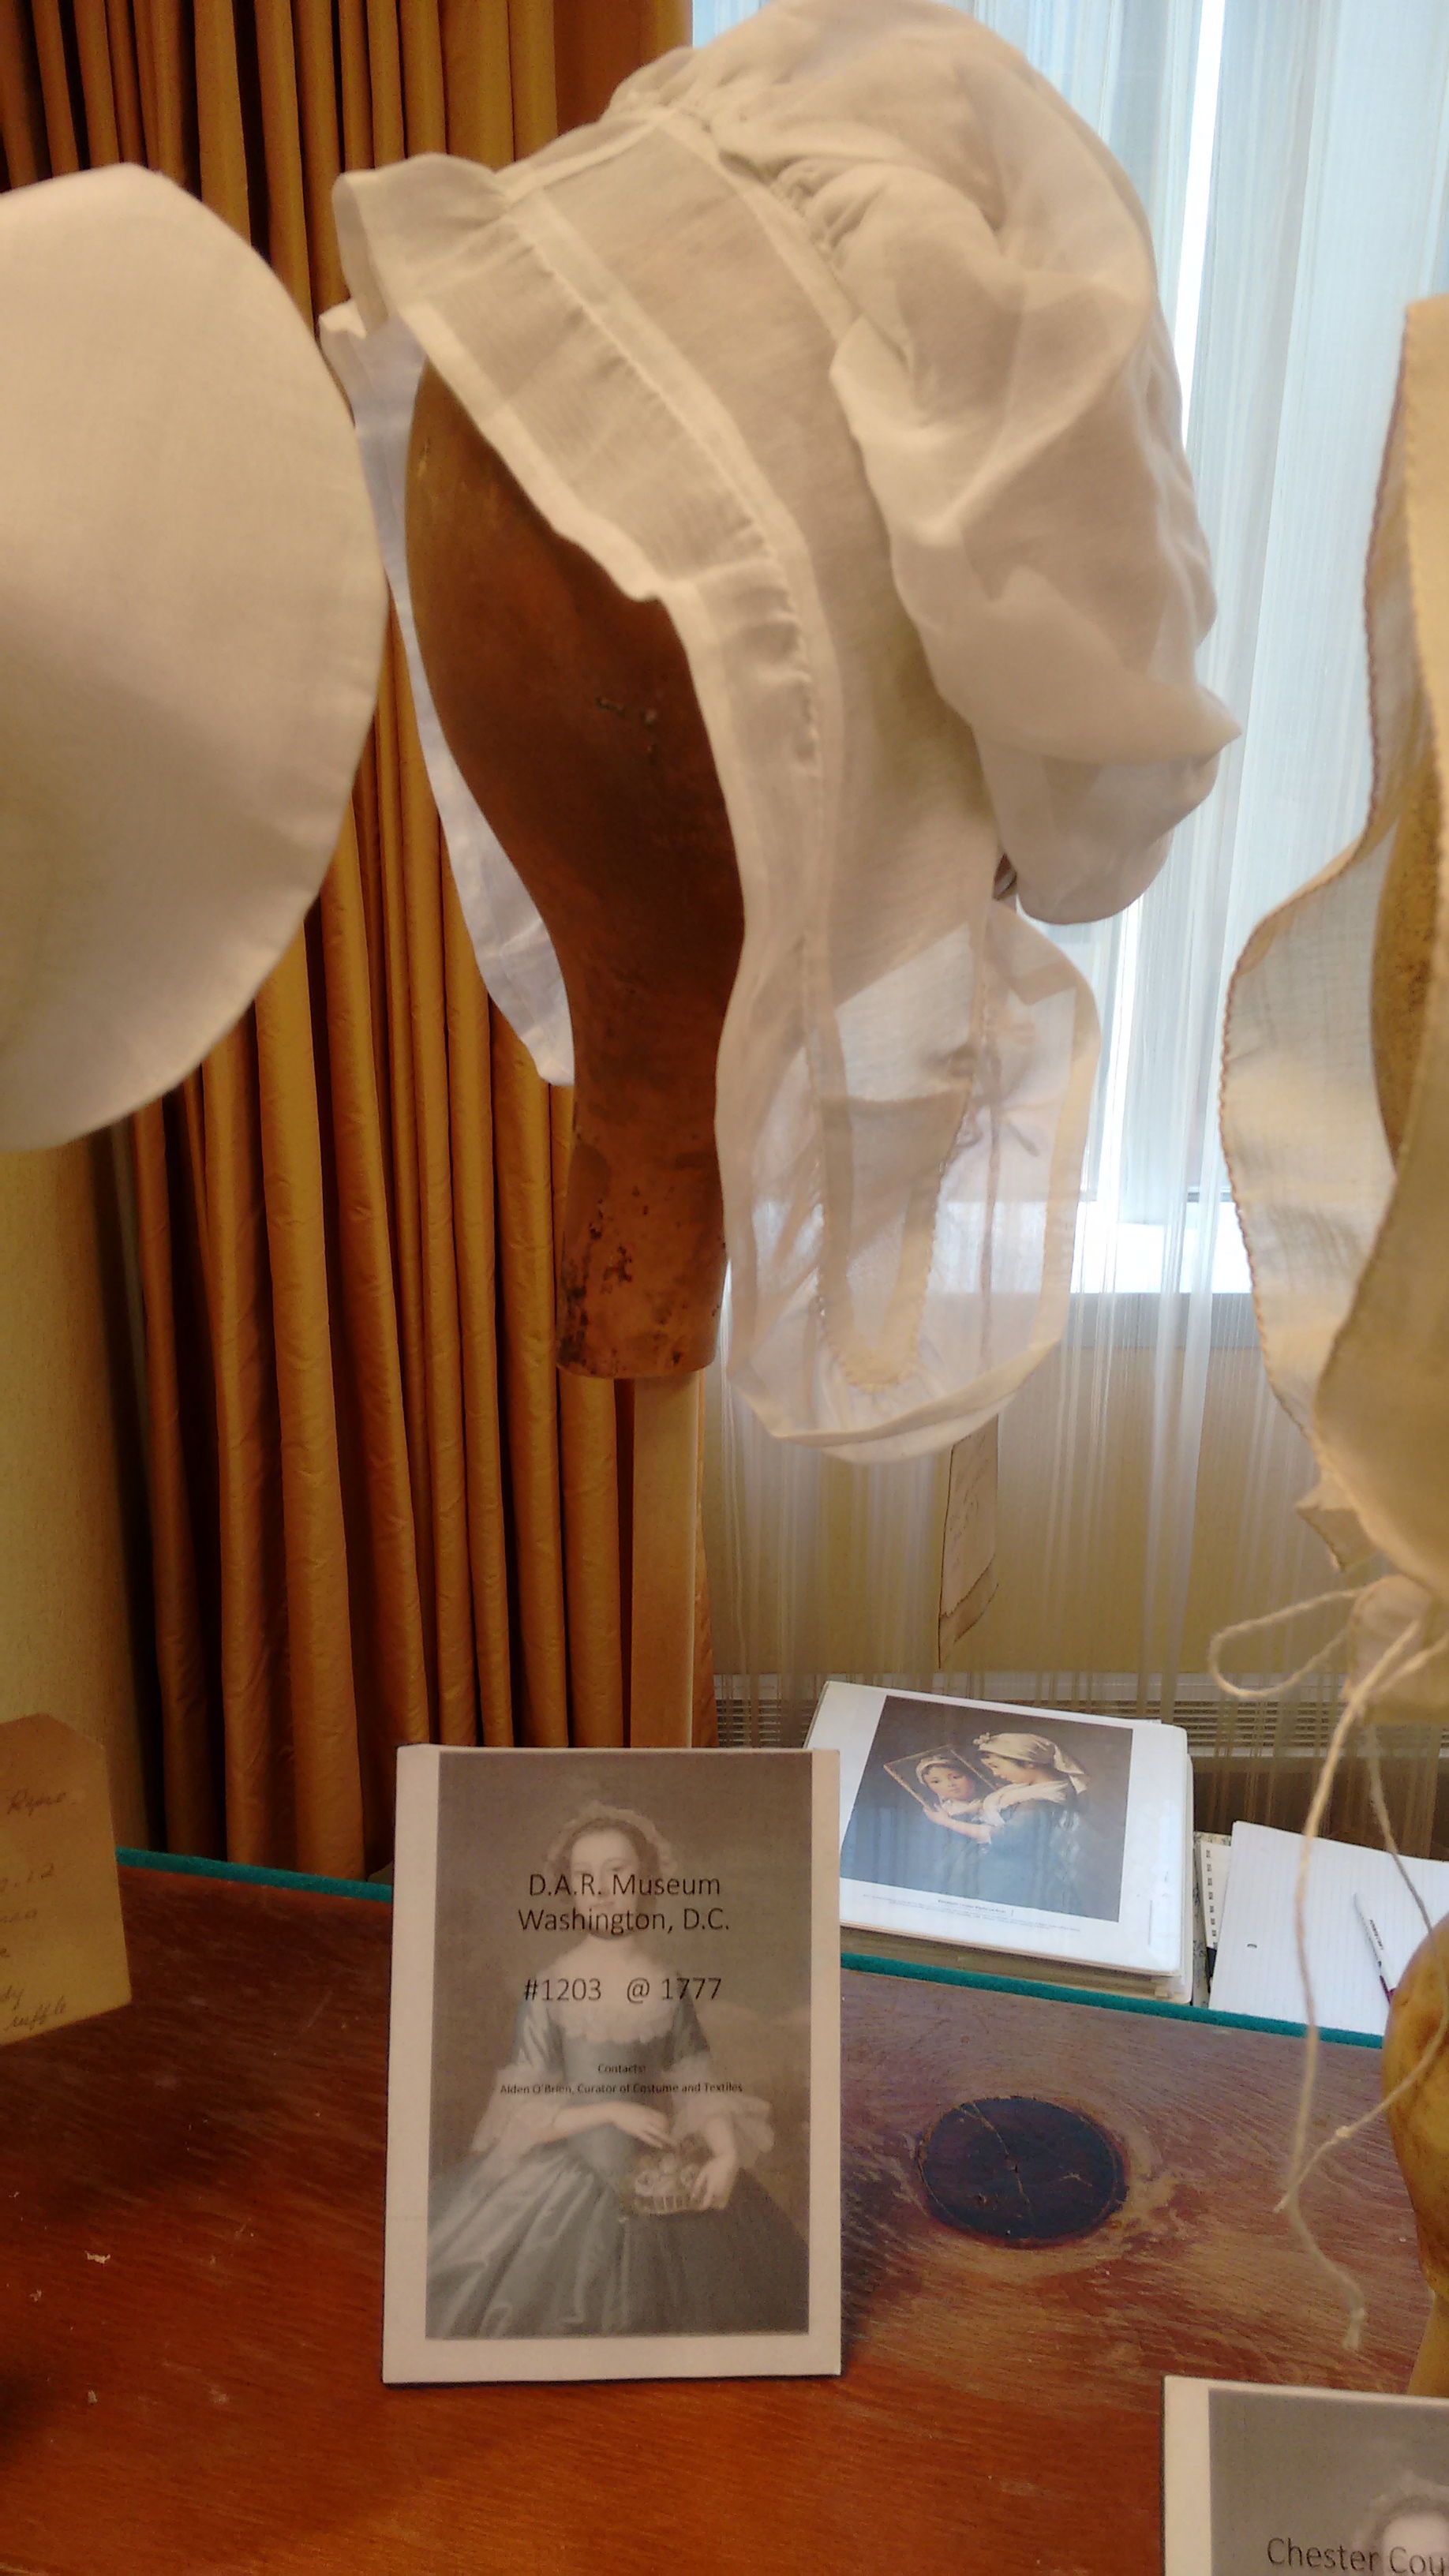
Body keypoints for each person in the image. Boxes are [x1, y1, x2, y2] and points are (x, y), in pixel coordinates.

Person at [427, 1805, 808, 2339]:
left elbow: (696, 2080)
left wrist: (724, 2154)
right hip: (566, 2181)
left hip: (658, 2174)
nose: (601, 1891)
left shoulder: (667, 1985)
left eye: (617, 1873)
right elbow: (521, 2105)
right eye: (585, 1877)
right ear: (569, 1888)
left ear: (645, 1880)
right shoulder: (550, 1986)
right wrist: (609, 2111)